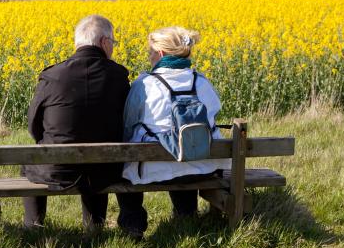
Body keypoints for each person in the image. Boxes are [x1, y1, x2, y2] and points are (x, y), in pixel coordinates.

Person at [23, 15, 147, 235]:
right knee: (98, 160)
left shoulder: (52, 76)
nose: (113, 48)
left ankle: (33, 228)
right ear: (104, 42)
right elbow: (128, 122)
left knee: (30, 163)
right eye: (113, 43)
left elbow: (33, 125)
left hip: (58, 169)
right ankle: (94, 227)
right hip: (107, 169)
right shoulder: (119, 76)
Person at [121, 26, 230, 220]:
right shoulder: (201, 82)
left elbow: (128, 124)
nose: (149, 57)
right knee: (184, 159)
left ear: (161, 53)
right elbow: (214, 112)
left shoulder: (145, 84)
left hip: (153, 171)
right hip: (204, 167)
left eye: (150, 52)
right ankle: (186, 215)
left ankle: (133, 224)